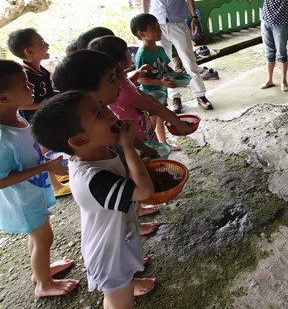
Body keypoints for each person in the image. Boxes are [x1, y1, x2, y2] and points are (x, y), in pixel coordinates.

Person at [0, 60, 79, 298]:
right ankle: (43, 285)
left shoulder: (15, 119)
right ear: (2, 98)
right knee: (45, 238)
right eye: (25, 85)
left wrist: (48, 157)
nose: (31, 88)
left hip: (30, 193)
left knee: (38, 237)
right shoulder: (2, 138)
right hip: (21, 200)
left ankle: (41, 271)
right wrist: (47, 166)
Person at [31, 91, 156, 307]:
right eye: (99, 114)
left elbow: (124, 180)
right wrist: (128, 147)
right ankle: (125, 284)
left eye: (103, 107)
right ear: (79, 140)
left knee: (125, 277)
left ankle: (129, 280)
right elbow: (144, 191)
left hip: (118, 239)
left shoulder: (97, 153)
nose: (110, 114)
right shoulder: (93, 179)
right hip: (109, 255)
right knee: (118, 301)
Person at [52, 49, 161, 236]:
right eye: (112, 79)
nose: (120, 82)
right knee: (121, 196)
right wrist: (129, 148)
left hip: (118, 181)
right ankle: (133, 219)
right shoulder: (91, 136)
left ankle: (134, 217)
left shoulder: (102, 111)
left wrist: (141, 147)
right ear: (89, 91)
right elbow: (143, 189)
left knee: (124, 191)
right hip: (109, 244)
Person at [88, 35, 191, 151]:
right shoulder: (122, 89)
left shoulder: (119, 82)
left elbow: (146, 97)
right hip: (137, 140)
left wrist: (137, 73)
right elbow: (154, 107)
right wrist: (178, 123)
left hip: (142, 132)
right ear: (120, 64)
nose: (130, 53)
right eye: (127, 51)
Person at [7, 28, 71, 197]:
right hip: (34, 121)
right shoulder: (24, 76)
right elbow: (21, 104)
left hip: (45, 115)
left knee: (50, 147)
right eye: (42, 43)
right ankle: (55, 186)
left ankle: (58, 173)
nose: (47, 45)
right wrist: (46, 104)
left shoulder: (41, 70)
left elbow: (48, 93)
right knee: (42, 151)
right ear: (29, 51)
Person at [130, 12, 185, 144]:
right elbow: (140, 79)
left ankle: (163, 143)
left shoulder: (159, 49)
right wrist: (160, 81)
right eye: (153, 28)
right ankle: (150, 149)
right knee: (151, 124)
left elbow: (165, 66)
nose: (159, 30)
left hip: (161, 92)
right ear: (142, 34)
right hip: (150, 95)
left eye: (158, 26)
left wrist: (175, 75)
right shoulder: (143, 54)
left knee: (160, 117)